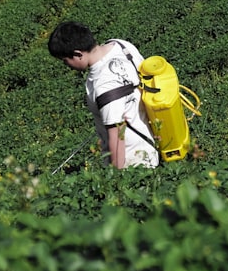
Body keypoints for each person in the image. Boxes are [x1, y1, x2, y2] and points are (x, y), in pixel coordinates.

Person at [48, 21, 159, 169]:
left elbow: (117, 135)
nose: (66, 66)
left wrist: (116, 180)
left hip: (135, 162)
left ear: (78, 54)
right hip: (154, 140)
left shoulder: (104, 84)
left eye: (65, 61)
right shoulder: (121, 45)